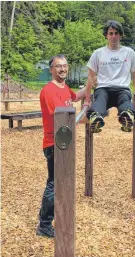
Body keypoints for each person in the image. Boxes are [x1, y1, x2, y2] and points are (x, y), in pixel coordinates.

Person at [36, 54, 86, 238]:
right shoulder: (49, 91)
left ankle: (48, 215)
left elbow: (75, 97)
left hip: (63, 142)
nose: (62, 69)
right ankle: (44, 224)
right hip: (54, 143)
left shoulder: (64, 88)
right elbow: (63, 117)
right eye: (58, 66)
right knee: (54, 183)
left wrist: (90, 84)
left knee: (58, 181)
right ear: (51, 69)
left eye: (64, 66)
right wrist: (81, 114)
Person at [84, 20, 135, 133]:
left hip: (122, 88)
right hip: (103, 88)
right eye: (111, 33)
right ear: (106, 35)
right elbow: (90, 77)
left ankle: (127, 115)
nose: (113, 36)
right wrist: (87, 99)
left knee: (125, 101)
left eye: (116, 33)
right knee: (100, 101)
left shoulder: (129, 53)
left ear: (120, 35)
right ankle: (96, 117)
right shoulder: (98, 53)